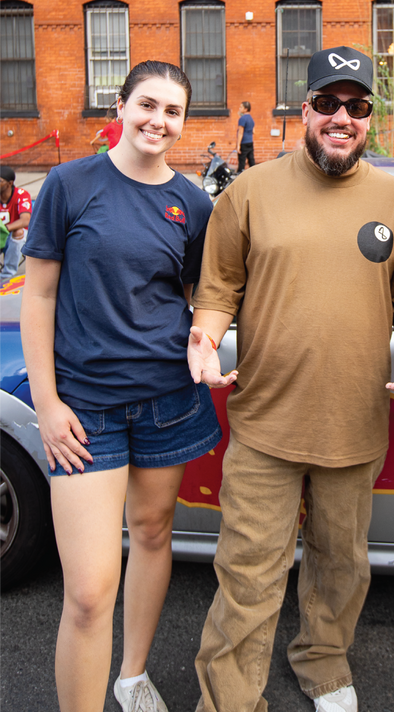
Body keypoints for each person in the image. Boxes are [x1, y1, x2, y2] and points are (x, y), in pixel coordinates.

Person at [187, 44, 394, 712]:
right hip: (266, 420)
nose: (341, 117)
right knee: (246, 571)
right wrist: (204, 340)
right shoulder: (248, 192)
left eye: (356, 107)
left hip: (355, 421)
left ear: (367, 118)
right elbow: (218, 287)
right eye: (327, 103)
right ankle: (229, 699)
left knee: (340, 564)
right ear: (305, 110)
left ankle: (323, 661)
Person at [20, 61, 219, 712]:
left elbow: (196, 300)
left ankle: (131, 674)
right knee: (86, 591)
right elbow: (39, 295)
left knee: (154, 532)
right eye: (148, 104)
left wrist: (207, 343)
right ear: (121, 104)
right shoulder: (71, 185)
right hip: (85, 411)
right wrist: (48, 404)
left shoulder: (192, 203)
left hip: (167, 401)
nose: (158, 120)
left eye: (172, 111)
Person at [0, 165, 31, 283]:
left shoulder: (21, 195)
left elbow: (25, 220)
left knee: (19, 232)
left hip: (12, 237)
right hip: (0, 237)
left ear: (10, 183)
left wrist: (4, 228)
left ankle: (7, 276)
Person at [235, 101, 255, 172]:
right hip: (250, 141)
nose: (239, 108)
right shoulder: (251, 119)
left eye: (241, 107)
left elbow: (240, 133)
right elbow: (253, 131)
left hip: (244, 142)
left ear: (246, 109)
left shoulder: (242, 119)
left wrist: (238, 145)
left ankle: (240, 176)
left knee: (241, 163)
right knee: (251, 161)